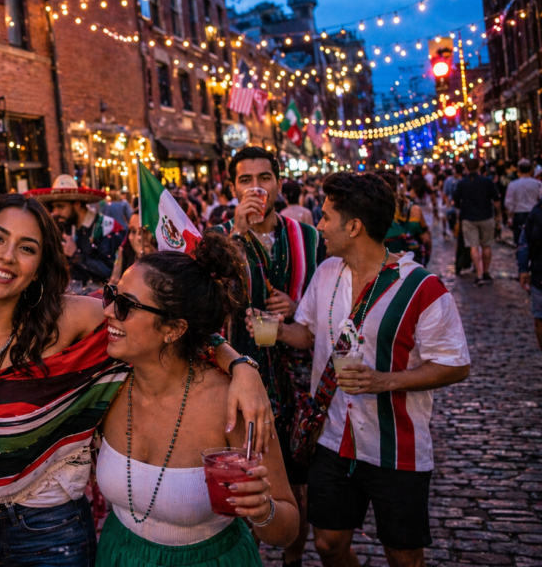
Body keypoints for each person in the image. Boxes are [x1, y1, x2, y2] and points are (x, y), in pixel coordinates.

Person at [0, 194, 273, 567]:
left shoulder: (79, 324)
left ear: (41, 265)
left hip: (47, 533)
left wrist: (241, 365)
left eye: (27, 247)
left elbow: (172, 330)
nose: (7, 256)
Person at [268, 172, 470, 567]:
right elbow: (308, 336)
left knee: (404, 554)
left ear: (354, 226)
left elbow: (455, 365)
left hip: (397, 446)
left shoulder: (422, 288)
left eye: (326, 217)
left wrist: (385, 381)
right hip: (330, 437)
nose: (319, 225)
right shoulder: (327, 273)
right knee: (327, 543)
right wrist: (274, 330)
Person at [95, 232, 300, 566]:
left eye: (125, 305)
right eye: (110, 295)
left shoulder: (232, 404)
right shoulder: (106, 382)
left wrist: (264, 510)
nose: (107, 312)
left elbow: (287, 529)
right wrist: (239, 361)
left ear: (173, 329)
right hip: (118, 554)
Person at [211, 146, 320, 567]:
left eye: (264, 177)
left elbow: (323, 299)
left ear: (278, 181)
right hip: (240, 377)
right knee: (242, 480)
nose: (256, 187)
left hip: (295, 380)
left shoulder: (307, 238)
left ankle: (293, 558)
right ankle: (248, 556)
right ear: (233, 186)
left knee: (298, 484)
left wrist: (297, 306)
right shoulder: (220, 236)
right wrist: (237, 233)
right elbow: (210, 297)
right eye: (245, 180)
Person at [28, 175, 126, 291]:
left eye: (60, 206)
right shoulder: (65, 227)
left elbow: (111, 272)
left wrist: (75, 255)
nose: (55, 212)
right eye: (53, 207)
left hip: (99, 301)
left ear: (77, 204)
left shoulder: (107, 227)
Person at [453, 159, 501, 286]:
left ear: (466, 168)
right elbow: (496, 200)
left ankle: (479, 274)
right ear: (479, 167)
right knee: (486, 245)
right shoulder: (487, 181)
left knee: (473, 247)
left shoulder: (462, 183)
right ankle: (486, 272)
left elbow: (456, 200)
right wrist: (498, 215)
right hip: (486, 216)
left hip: (469, 218)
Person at [381, 171, 431, 266]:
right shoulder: (415, 210)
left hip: (389, 263)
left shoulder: (375, 215)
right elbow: (426, 238)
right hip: (415, 259)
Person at [517, 192, 542, 350]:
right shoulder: (536, 212)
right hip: (539, 275)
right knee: (539, 319)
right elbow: (524, 243)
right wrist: (523, 269)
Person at [505, 159, 542, 245]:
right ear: (531, 170)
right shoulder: (538, 184)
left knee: (520, 242)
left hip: (519, 215)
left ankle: (521, 257)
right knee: (535, 240)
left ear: (518, 170)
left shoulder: (513, 184)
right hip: (535, 214)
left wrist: (510, 217)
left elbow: (509, 203)